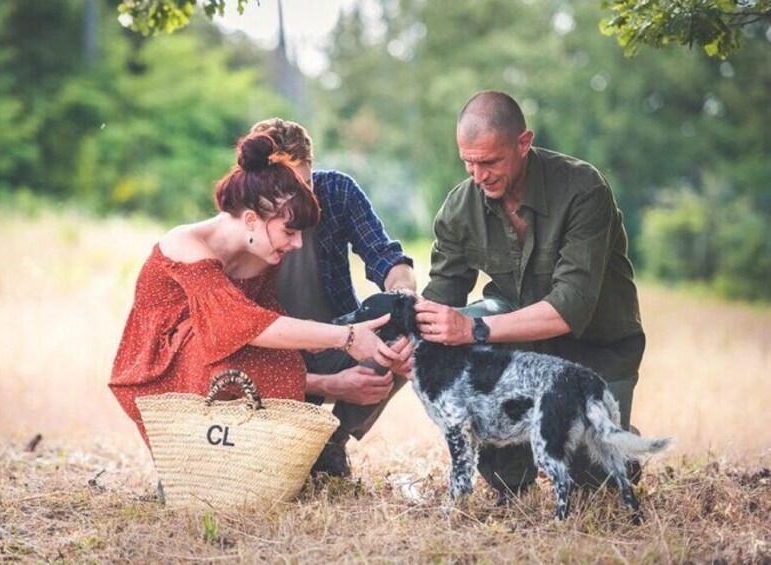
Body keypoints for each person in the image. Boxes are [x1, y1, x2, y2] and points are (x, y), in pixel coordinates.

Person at [416, 90, 645, 499]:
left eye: (489, 161)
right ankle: (509, 467)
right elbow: (440, 300)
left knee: (594, 482)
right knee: (505, 483)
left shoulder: (584, 188)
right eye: (467, 161)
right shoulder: (459, 207)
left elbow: (571, 306)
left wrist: (475, 330)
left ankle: (621, 444)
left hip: (594, 347)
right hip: (516, 352)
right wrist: (409, 341)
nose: (477, 175)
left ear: (524, 143)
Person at [109, 132, 405, 447]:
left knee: (290, 356)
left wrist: (375, 339)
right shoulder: (186, 245)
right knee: (221, 354)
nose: (297, 243)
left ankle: (323, 449)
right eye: (290, 231)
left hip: (227, 368)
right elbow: (234, 329)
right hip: (162, 372)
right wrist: (344, 343)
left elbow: (268, 342)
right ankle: (192, 456)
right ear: (251, 219)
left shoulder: (262, 255)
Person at [249, 118, 417, 478]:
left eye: (306, 185)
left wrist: (405, 301)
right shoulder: (242, 222)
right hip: (274, 358)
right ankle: (294, 444)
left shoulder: (337, 192)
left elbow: (385, 256)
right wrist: (326, 385)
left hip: (342, 341)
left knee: (405, 322)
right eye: (287, 189)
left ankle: (331, 443)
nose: (301, 202)